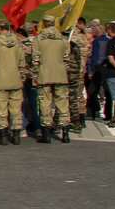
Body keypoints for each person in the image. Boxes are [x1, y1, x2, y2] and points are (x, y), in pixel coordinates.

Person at [31, 13, 71, 144]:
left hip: (44, 74)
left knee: (45, 104)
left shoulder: (39, 39)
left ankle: (46, 133)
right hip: (60, 74)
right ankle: (65, 133)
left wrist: (34, 75)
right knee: (63, 104)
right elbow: (67, 59)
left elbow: (35, 59)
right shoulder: (63, 39)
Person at [0, 20, 26, 145]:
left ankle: (2, 135)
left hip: (0, 79)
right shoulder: (18, 43)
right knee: (16, 109)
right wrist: (22, 77)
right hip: (15, 79)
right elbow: (22, 63)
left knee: (1, 109)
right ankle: (16, 134)